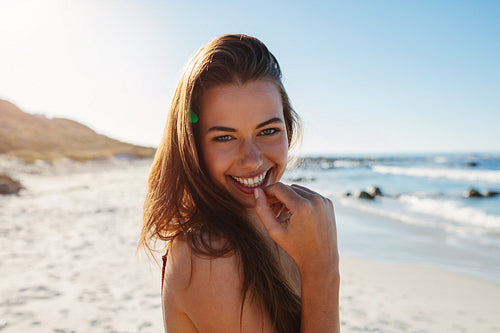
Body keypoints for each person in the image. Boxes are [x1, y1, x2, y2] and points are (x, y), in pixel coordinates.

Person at [139, 34, 340, 333]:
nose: (251, 160)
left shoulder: (280, 229)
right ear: (192, 146)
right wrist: (323, 270)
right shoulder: (208, 256)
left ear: (288, 128)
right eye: (224, 137)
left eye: (268, 131)